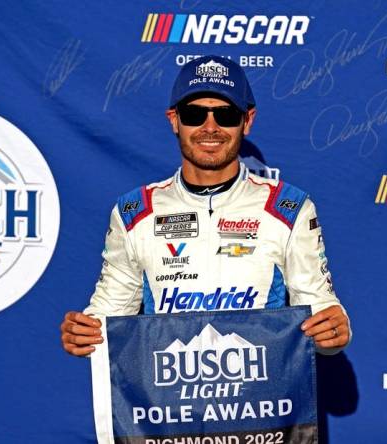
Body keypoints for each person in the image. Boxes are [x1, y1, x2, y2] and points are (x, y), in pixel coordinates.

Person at [61, 55, 350, 357]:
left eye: (225, 114)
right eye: (194, 114)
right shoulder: (136, 213)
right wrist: (84, 334)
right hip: (169, 400)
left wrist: (334, 331)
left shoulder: (289, 208)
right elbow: (108, 318)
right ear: (174, 119)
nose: (209, 127)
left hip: (260, 398)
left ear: (247, 121)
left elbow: (320, 311)